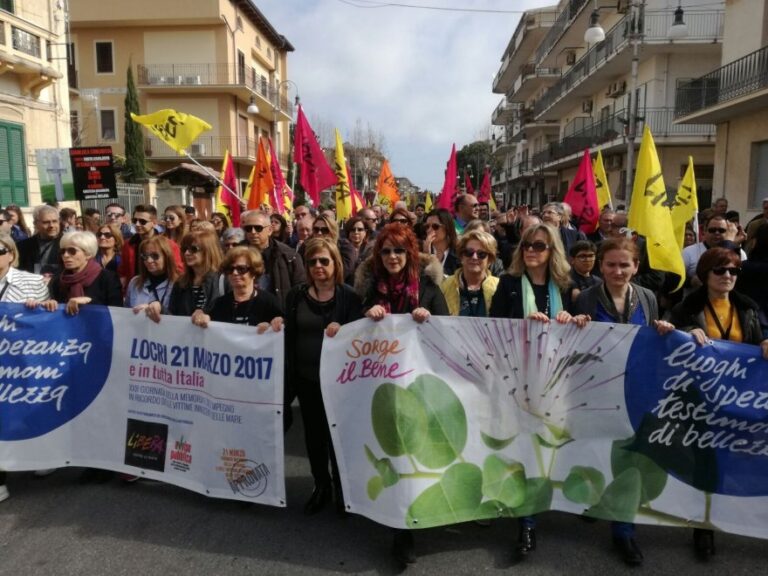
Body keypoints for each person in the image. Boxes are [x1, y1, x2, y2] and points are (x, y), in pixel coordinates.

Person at [572, 237, 675, 566]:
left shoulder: (646, 298)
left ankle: (624, 532)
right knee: (598, 452)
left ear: (636, 267)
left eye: (624, 265)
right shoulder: (586, 298)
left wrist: (662, 329)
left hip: (635, 393)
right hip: (597, 392)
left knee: (629, 460)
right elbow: (574, 346)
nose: (618, 270)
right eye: (611, 264)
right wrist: (574, 324)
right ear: (601, 266)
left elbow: (654, 343)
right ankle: (597, 499)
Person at [489, 223, 586, 561]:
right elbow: (493, 325)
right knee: (524, 449)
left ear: (552, 250)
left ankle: (544, 504)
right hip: (518, 380)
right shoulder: (510, 283)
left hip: (555, 381)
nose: (532, 251)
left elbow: (580, 328)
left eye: (540, 246)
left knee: (547, 448)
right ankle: (526, 522)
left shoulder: (565, 285)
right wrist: (521, 323)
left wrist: (571, 318)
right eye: (527, 245)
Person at [354, 223, 448, 566]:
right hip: (378, 387)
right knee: (389, 452)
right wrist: (367, 315)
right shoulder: (370, 289)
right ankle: (398, 527)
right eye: (386, 251)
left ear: (410, 253)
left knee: (411, 453)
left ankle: (407, 526)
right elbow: (352, 330)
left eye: (399, 250)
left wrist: (429, 318)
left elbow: (447, 330)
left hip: (417, 385)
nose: (392, 257)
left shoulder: (428, 288)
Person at [667, 247, 768, 561]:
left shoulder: (749, 307)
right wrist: (685, 332)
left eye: (734, 271)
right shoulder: (687, 306)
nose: (727, 277)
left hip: (740, 399)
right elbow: (667, 331)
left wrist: (766, 341)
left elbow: (760, 335)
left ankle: (742, 519)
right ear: (705, 275)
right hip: (700, 398)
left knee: (738, 461)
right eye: (720, 271)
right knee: (707, 464)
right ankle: (704, 527)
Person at [284, 238, 363, 515]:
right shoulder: (296, 296)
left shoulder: (349, 296)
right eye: (312, 262)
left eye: (324, 261)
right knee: (314, 437)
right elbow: (287, 333)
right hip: (306, 380)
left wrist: (343, 327)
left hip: (340, 384)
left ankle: (345, 489)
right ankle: (321, 485)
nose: (318, 266)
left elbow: (359, 336)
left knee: (338, 437)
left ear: (335, 264)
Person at [0, 234, 50, 502]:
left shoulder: (31, 281)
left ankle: (39, 454)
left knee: (26, 409)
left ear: (10, 253)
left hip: (23, 361)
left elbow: (48, 321)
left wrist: (39, 308)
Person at [190, 246, 283, 331]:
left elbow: (283, 328)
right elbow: (206, 321)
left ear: (254, 272)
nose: (234, 273)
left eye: (241, 269)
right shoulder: (220, 304)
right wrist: (201, 315)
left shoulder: (269, 302)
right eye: (230, 269)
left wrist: (274, 325)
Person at [241, 210, 305, 307]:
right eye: (248, 228)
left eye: (258, 228)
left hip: (278, 314)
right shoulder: (236, 254)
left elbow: (300, 289)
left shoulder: (289, 255)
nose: (253, 232)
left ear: (270, 230)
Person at [119, 204, 183, 290]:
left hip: (163, 291)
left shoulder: (168, 244)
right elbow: (124, 271)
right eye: (135, 220)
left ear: (154, 223)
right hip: (137, 291)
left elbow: (178, 270)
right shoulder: (128, 244)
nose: (137, 224)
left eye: (142, 221)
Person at [441, 230, 500, 316]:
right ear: (461, 256)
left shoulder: (499, 287)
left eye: (481, 254)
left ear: (490, 260)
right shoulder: (444, 286)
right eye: (469, 252)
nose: (474, 257)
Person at [169, 231, 226, 317]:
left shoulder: (223, 280)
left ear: (208, 250)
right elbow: (172, 316)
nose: (187, 253)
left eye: (193, 249)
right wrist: (159, 308)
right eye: (184, 249)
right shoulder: (180, 283)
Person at [125, 235, 179, 319]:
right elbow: (126, 312)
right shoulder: (134, 283)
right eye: (145, 256)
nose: (149, 261)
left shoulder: (179, 284)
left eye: (155, 256)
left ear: (166, 256)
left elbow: (181, 318)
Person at [17, 205, 62, 279]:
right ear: (35, 224)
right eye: (46, 222)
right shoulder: (22, 246)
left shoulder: (69, 243)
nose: (51, 225)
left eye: (54, 221)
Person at [423, 208, 460, 277]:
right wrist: (426, 257)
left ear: (447, 228)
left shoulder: (459, 253)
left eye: (435, 226)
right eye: (427, 226)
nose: (429, 230)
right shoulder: (420, 252)